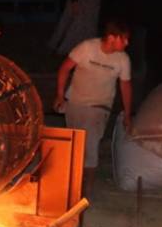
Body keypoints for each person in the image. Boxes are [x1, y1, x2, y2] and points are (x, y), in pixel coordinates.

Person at [54, 21, 133, 197]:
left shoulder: (122, 59)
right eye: (124, 39)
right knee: (74, 145)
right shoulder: (87, 48)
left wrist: (128, 114)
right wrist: (60, 95)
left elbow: (125, 86)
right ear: (112, 38)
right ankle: (70, 186)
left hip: (99, 107)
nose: (127, 43)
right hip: (74, 104)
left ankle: (85, 191)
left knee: (90, 146)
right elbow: (65, 69)